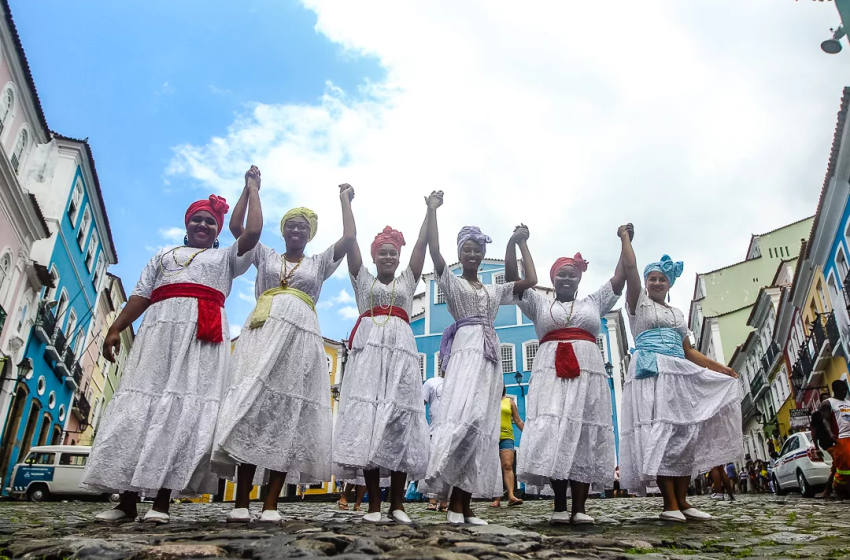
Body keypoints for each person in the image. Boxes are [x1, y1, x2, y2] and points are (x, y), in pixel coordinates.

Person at [83, 168, 264, 524]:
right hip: (158, 337)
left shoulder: (227, 258)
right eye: (197, 220)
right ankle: (126, 501)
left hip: (201, 340)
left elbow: (253, 231)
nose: (203, 226)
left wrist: (252, 189)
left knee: (180, 413)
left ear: (216, 231)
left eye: (209, 223)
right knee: (141, 410)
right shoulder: (163, 255)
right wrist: (116, 328)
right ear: (186, 225)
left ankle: (162, 502)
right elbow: (140, 295)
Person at [213, 185, 355, 523]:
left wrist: (344, 201)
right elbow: (238, 230)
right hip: (263, 332)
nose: (296, 230)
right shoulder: (266, 255)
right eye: (290, 225)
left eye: (302, 227)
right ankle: (241, 502)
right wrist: (251, 191)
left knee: (287, 416)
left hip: (300, 339)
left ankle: (271, 504)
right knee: (254, 411)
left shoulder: (319, 263)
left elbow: (349, 239)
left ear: (309, 235)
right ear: (283, 231)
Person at [421, 195, 538, 526]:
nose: (473, 254)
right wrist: (431, 211)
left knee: (483, 427)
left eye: (477, 249)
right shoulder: (453, 284)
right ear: (460, 253)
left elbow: (528, 279)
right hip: (466, 352)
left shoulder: (492, 290)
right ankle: (450, 500)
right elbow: (433, 251)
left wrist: (517, 243)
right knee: (466, 420)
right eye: (467, 249)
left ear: (484, 254)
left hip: (489, 358)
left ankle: (465, 504)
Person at [514, 225, 632, 525]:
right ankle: (558, 505)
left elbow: (620, 278)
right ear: (553, 278)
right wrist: (520, 244)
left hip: (587, 374)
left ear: (579, 278)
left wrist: (625, 240)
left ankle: (580, 508)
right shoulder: (539, 303)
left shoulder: (593, 303)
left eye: (572, 273)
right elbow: (515, 279)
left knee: (580, 436)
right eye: (561, 273)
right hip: (549, 372)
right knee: (555, 434)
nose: (567, 277)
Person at [331, 193, 434, 524]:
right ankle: (375, 505)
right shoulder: (363, 280)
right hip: (370, 358)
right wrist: (345, 202)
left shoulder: (407, 280)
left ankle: (397, 505)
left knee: (399, 425)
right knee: (371, 426)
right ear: (375, 258)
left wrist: (430, 211)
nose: (389, 256)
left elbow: (421, 245)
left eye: (393, 253)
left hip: (402, 356)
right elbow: (351, 243)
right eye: (383, 253)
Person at [619, 254, 742, 523]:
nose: (657, 282)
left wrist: (719, 368)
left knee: (684, 434)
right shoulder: (638, 305)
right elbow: (629, 268)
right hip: (652, 372)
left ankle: (684, 501)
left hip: (679, 373)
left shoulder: (676, 314)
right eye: (652, 278)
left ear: (669, 284)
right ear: (646, 282)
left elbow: (689, 351)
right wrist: (625, 239)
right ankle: (669, 503)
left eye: (662, 279)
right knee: (661, 433)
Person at [490, 388, 524, 508]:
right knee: (495, 468)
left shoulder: (510, 402)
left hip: (507, 437)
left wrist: (528, 433)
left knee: (508, 465)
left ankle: (511, 496)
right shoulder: (489, 401)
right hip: (491, 438)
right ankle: (497, 498)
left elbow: (518, 420)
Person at [422, 370, 448, 512]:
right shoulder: (431, 382)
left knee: (446, 466)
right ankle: (432, 499)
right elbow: (422, 403)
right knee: (433, 465)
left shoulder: (457, 382)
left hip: (451, 430)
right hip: (434, 429)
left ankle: (444, 501)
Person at [821, 380, 850, 498]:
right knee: (844, 465)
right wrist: (830, 433)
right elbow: (825, 420)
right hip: (841, 438)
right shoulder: (828, 403)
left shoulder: (848, 402)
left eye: (845, 390)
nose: (844, 393)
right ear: (835, 390)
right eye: (842, 391)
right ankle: (837, 486)